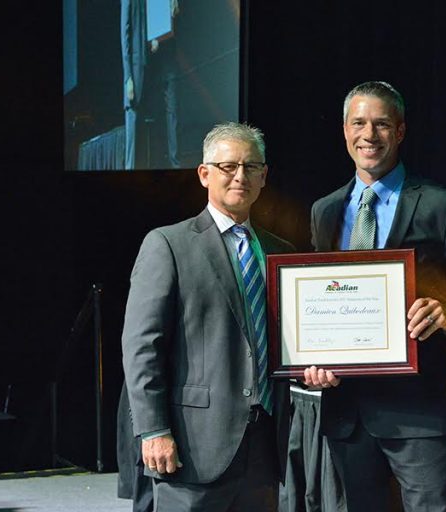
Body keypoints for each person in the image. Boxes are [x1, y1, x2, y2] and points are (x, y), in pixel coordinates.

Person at [304, 81, 446, 511]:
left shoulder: (443, 205)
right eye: (359, 123)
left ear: (400, 131)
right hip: (348, 410)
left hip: (420, 409)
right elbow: (322, 302)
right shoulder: (324, 211)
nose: (369, 135)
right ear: (344, 130)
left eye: (381, 124)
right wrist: (313, 358)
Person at [121, 122, 294, 511]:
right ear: (204, 174)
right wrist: (153, 429)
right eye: (228, 166)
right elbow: (141, 347)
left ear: (264, 176)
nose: (240, 176)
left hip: (265, 444)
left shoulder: (282, 252)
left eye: (251, 167)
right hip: (192, 445)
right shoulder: (167, 244)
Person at [121, 0, 180, 170]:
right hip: (137, 66)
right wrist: (128, 77)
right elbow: (124, 36)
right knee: (133, 117)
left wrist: (155, 37)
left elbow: (158, 23)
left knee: (159, 114)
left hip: (153, 63)